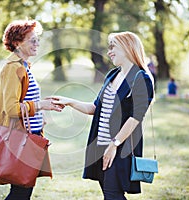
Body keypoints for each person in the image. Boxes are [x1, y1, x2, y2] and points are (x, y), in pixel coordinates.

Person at [52, 32, 154, 199]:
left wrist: (114, 145)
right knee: (110, 194)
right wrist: (69, 101)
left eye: (113, 47)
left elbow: (136, 118)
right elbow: (94, 108)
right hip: (100, 146)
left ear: (127, 47)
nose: (109, 52)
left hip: (120, 148)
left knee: (112, 194)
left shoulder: (140, 77)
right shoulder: (112, 75)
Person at [0, 19, 63, 200]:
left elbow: (26, 99)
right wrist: (40, 106)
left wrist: (43, 107)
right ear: (17, 43)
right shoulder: (13, 68)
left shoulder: (24, 66)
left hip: (30, 135)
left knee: (23, 190)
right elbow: (11, 109)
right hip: (18, 137)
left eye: (37, 39)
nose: (37, 43)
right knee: (21, 192)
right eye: (32, 40)